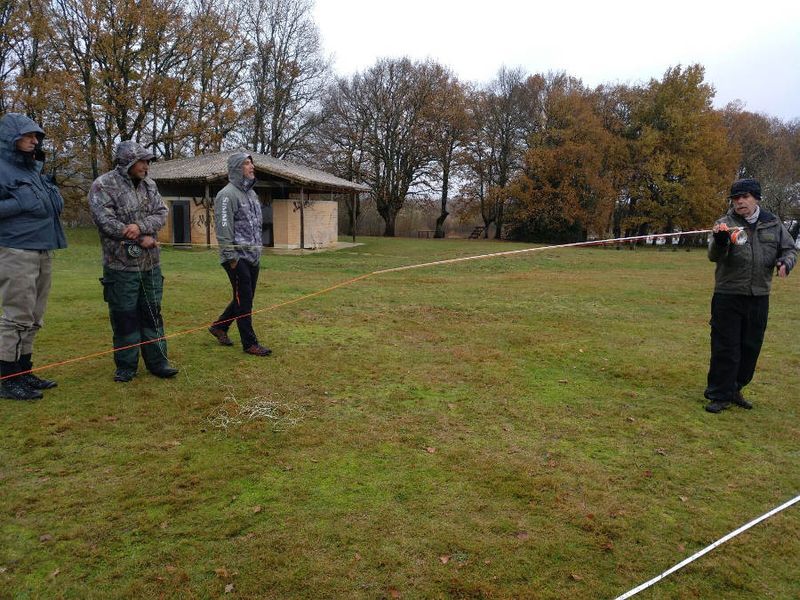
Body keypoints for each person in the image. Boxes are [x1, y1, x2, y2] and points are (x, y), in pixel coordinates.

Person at [88, 140, 178, 382]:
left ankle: (158, 362)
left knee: (152, 314)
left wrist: (140, 227)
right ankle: (126, 366)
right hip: (120, 267)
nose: (146, 166)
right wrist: (139, 238)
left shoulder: (150, 185)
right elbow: (105, 221)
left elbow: (161, 213)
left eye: (148, 162)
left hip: (150, 265)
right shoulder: (103, 185)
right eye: (143, 161)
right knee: (124, 316)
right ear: (128, 160)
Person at [704, 177, 796, 413]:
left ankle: (736, 388)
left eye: (744, 197)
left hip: (759, 296)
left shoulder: (773, 223)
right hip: (728, 294)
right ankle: (719, 395)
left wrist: (786, 262)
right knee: (726, 346)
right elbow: (714, 256)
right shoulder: (724, 223)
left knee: (750, 346)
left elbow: (788, 248)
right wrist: (721, 241)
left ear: (756, 198)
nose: (740, 202)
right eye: (736, 198)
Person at [0, 113, 67, 400]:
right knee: (16, 315)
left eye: (36, 136)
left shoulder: (33, 171)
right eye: (28, 135)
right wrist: (18, 202)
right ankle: (7, 379)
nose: (34, 140)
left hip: (43, 247)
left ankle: (24, 371)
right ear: (10, 137)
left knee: (34, 316)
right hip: (16, 248)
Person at [208, 153, 271, 356]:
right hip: (236, 258)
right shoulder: (226, 195)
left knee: (245, 298)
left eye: (251, 162)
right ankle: (250, 343)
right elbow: (223, 227)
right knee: (244, 300)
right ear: (236, 168)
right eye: (246, 163)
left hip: (253, 256)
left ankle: (219, 327)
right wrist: (231, 258)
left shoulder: (252, 194)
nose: (251, 166)